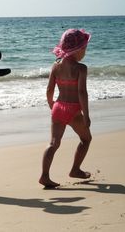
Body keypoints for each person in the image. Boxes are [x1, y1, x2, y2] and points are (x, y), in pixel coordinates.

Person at [39, 29, 93, 188]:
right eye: (84, 48)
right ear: (79, 49)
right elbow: (82, 92)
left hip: (58, 107)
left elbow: (49, 89)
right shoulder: (81, 68)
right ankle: (75, 169)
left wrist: (51, 104)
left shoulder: (55, 66)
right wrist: (86, 115)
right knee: (86, 139)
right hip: (74, 110)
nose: (85, 52)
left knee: (53, 143)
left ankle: (44, 176)